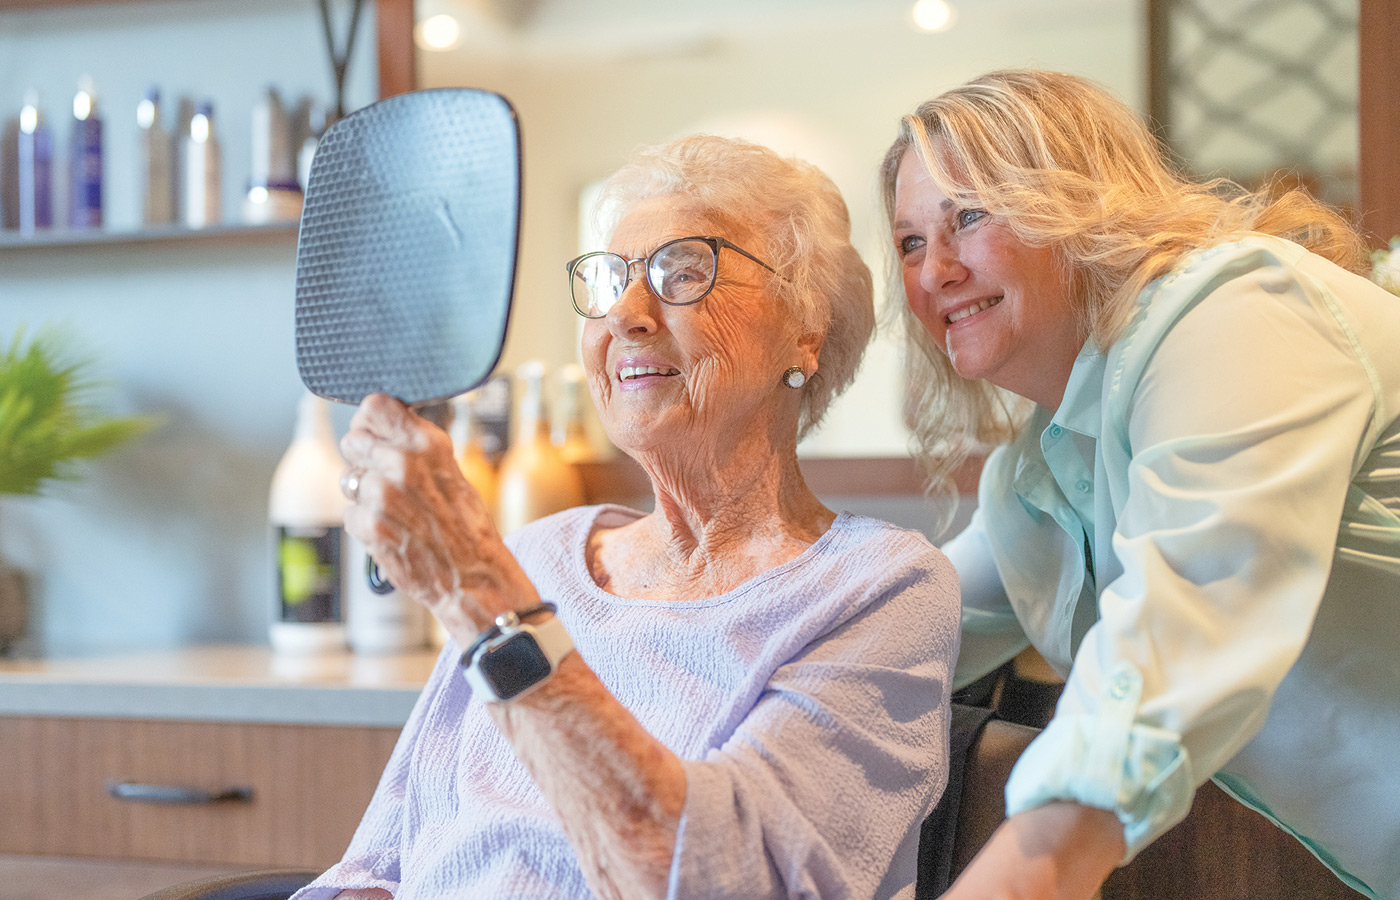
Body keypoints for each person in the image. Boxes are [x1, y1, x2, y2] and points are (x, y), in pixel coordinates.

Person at [294, 134, 961, 900]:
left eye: (683, 272)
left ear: (805, 330)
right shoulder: (535, 560)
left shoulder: (881, 590)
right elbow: (377, 868)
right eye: (611, 279)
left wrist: (482, 600)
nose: (627, 315)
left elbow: (725, 880)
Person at [882, 67, 1400, 900]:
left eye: (968, 217)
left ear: (1079, 202)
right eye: (910, 241)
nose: (934, 271)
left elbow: (1183, 621)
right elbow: (894, 641)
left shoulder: (1239, 311)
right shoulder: (1036, 476)